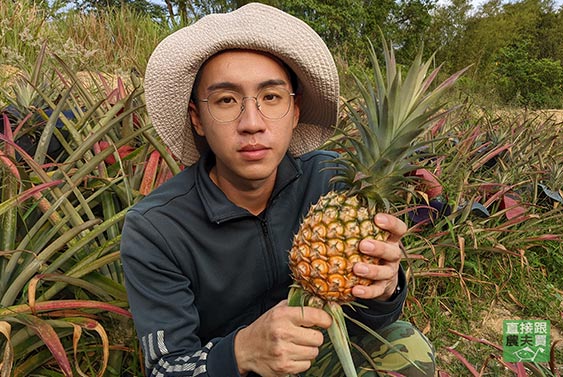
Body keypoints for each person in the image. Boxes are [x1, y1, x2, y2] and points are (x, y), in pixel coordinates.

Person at [120, 3, 435, 376]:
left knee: (407, 345)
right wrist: (240, 352)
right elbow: (165, 368)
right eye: (226, 100)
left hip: (316, 355)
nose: (251, 123)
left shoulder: (331, 181)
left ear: (295, 109)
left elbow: (369, 321)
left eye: (271, 97)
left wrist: (385, 291)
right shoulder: (155, 228)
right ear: (197, 119)